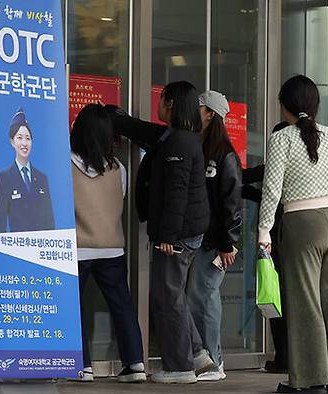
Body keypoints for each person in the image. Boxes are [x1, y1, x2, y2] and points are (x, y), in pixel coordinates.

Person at [106, 81, 212, 384]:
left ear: (172, 105)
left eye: (163, 100)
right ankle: (194, 352)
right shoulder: (179, 137)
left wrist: (167, 236)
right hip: (185, 230)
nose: (160, 104)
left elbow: (176, 193)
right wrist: (118, 119)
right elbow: (146, 133)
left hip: (178, 234)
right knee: (173, 293)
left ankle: (180, 368)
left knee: (167, 298)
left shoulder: (178, 143)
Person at [258, 75, 328, 393]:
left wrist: (264, 230)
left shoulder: (282, 138)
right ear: (315, 105)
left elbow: (271, 188)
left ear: (284, 106)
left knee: (304, 302)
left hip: (301, 220)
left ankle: (311, 379)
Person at [70, 104, 146, 383]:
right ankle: (135, 363)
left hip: (76, 248)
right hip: (113, 247)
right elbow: (119, 200)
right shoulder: (119, 169)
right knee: (122, 305)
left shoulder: (65, 163)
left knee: (75, 306)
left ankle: (83, 366)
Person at [185, 91, 242, 381]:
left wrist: (228, 242)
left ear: (210, 114)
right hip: (205, 238)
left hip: (216, 242)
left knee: (204, 296)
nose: (196, 111)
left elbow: (231, 203)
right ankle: (207, 358)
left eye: (200, 108)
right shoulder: (202, 147)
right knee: (198, 296)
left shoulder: (225, 155)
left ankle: (214, 360)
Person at [242, 121, 290, 374]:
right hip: (291, 238)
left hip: (275, 239)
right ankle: (289, 357)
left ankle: (284, 357)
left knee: (275, 294)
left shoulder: (276, 165)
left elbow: (248, 180)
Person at [0, 107, 54, 233]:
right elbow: (1, 220)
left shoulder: (42, 178)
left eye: (28, 138)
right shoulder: (5, 177)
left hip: (41, 246)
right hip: (18, 247)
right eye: (20, 138)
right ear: (12, 142)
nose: (24, 143)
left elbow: (50, 220)